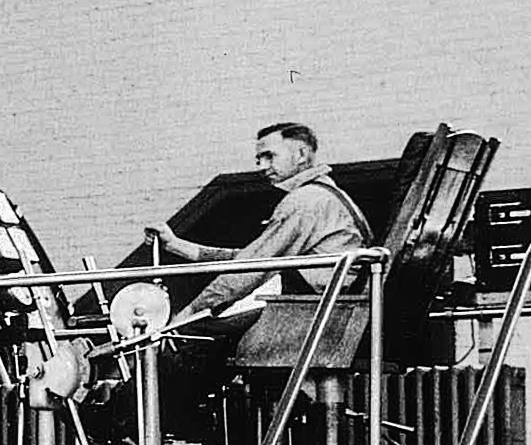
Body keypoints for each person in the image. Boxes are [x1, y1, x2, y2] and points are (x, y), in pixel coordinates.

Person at [150, 121, 372, 321]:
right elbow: (254, 257)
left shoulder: (305, 201)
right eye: (259, 159)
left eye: (269, 156)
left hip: (318, 311)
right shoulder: (325, 194)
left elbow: (252, 268)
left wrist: (191, 312)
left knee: (195, 334)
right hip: (325, 305)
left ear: (301, 154)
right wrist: (177, 246)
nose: (261, 167)